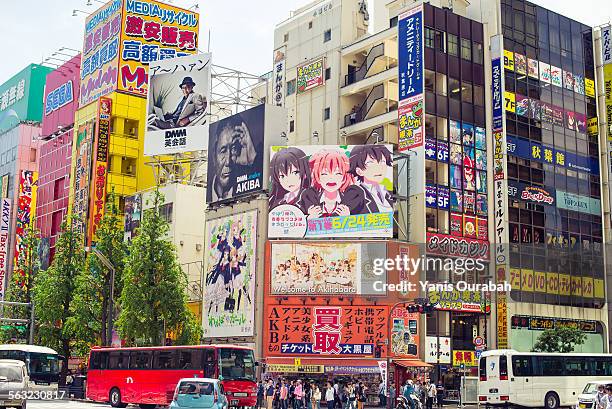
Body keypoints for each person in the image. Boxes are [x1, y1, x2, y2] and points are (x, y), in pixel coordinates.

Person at [209, 115, 257, 202]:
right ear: (214, 155)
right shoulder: (203, 194)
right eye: (223, 151)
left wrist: (252, 158)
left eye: (234, 149)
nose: (228, 161)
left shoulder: (249, 185)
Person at [302, 149, 353, 218]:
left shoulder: (350, 199)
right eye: (324, 174)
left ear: (344, 177)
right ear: (318, 177)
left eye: (338, 173)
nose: (331, 178)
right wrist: (310, 218)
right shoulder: (309, 198)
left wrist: (348, 218)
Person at [344, 145, 393, 215]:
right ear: (359, 171)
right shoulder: (356, 192)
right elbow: (336, 218)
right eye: (370, 163)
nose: (379, 168)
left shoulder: (389, 192)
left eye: (382, 162)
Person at [269, 147, 312, 213]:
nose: (288, 181)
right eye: (282, 176)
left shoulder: (308, 196)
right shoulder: (279, 200)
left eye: (295, 173)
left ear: (305, 172)